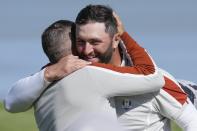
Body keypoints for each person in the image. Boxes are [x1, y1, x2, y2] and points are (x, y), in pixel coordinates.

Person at [4, 4, 197, 131]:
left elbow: (191, 121)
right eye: (80, 42)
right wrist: (50, 71)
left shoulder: (158, 82)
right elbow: (12, 101)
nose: (87, 50)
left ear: (115, 40)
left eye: (95, 42)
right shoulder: (67, 70)